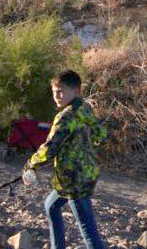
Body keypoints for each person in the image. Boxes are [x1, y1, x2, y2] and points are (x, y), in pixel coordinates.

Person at [24, 70, 107, 249]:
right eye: (54, 91)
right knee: (50, 207)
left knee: (87, 230)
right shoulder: (84, 108)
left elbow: (49, 148)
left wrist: (30, 164)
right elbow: (100, 134)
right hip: (85, 172)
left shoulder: (65, 117)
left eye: (61, 91)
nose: (56, 96)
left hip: (74, 179)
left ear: (76, 91)